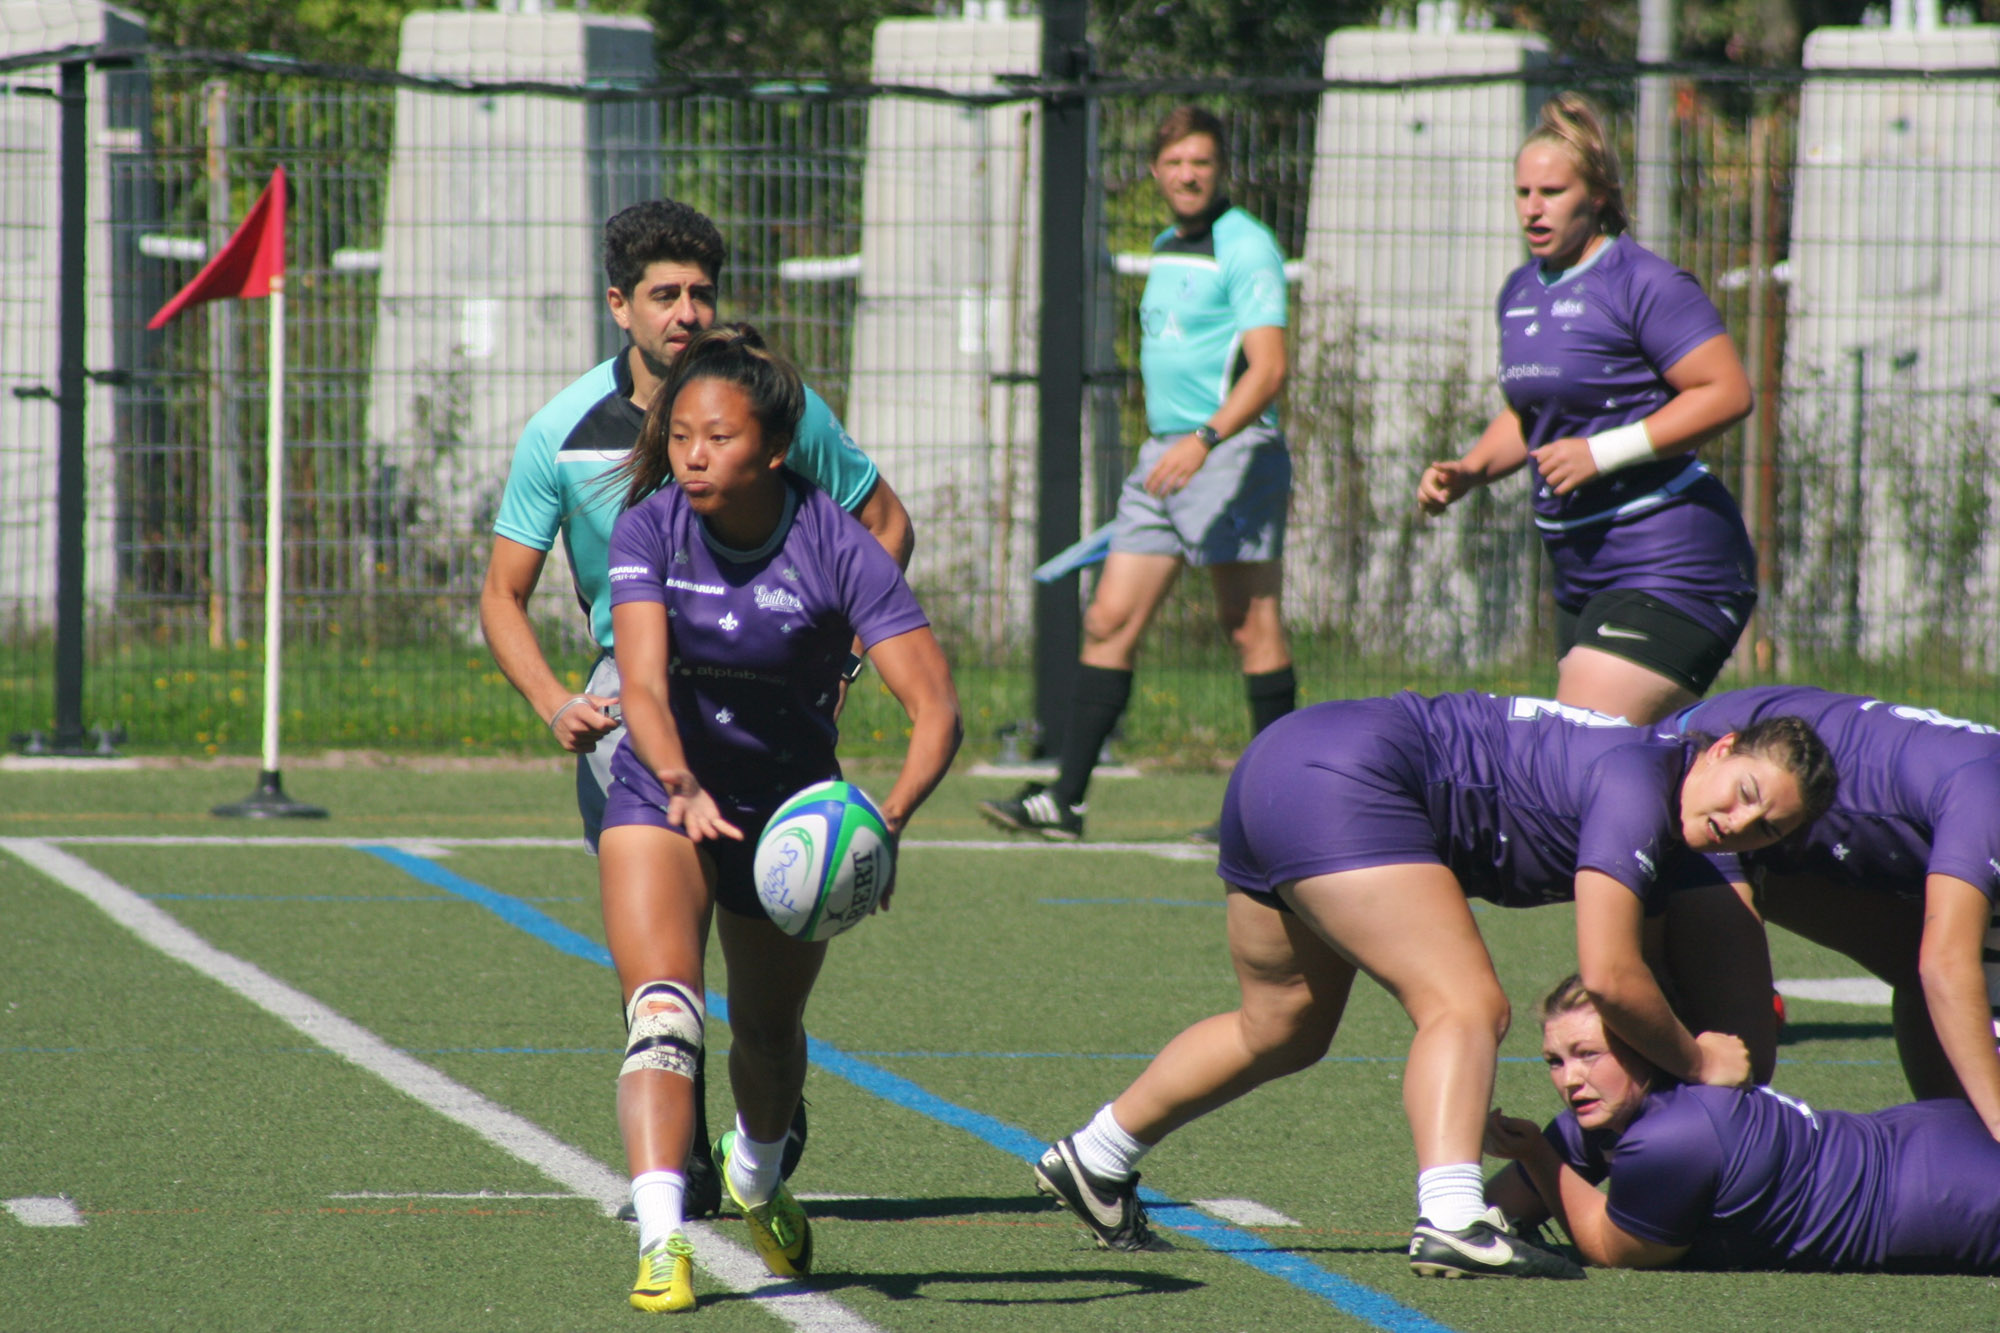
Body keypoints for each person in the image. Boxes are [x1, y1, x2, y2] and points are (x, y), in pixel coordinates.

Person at [1032, 692, 1834, 1278]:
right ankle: (1452, 1216)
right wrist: (1701, 1063)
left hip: (1284, 760)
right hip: (1346, 776)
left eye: (1766, 829)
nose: (1740, 823)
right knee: (1466, 1003)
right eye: (1746, 795)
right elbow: (1610, 977)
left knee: (1282, 1024)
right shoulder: (1638, 784)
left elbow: (1642, 975)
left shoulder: (1663, 785)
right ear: (1721, 747)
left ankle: (1098, 1154)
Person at [480, 199, 914, 1214]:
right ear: (617, 305)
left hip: (769, 710)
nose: (685, 312)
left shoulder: (769, 412)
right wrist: (552, 699)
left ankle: (767, 1097)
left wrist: (838, 662)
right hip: (630, 710)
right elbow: (501, 593)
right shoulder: (564, 432)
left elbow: (884, 521)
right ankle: (677, 1168)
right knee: (659, 974)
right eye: (664, 294)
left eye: (701, 291)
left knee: (765, 981)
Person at [597, 325, 960, 1312]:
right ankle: (662, 1237)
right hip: (662, 794)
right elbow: (638, 679)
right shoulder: (651, 527)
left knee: (765, 1032)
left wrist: (881, 823)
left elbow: (935, 711)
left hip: (787, 813)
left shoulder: (836, 543)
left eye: (714, 437)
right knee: (663, 1015)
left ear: (771, 446)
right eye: (678, 437)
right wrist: (675, 777)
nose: (692, 455)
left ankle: (757, 1175)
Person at [979, 105, 1293, 843]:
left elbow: (1270, 368)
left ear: (1221, 172)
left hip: (1229, 454)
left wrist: (1206, 440)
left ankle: (1278, 810)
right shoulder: (1163, 243)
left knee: (1250, 629)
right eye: (1176, 162)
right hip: (1164, 458)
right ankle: (1067, 800)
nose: (1188, 175)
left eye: (1203, 163)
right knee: (1107, 619)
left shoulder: (1246, 245)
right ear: (1156, 171)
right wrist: (1174, 446)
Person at [1417, 92, 1756, 728]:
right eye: (1522, 192)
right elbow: (1533, 414)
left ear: (1597, 195)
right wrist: (1469, 470)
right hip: (1580, 571)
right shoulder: (1520, 290)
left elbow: (1727, 393)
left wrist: (1601, 453)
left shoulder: (1644, 284)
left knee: (1577, 747)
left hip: (1671, 560)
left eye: (1551, 190)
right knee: (1623, 764)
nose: (1532, 207)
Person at [1485, 974, 2000, 1272]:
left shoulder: (1674, 1135)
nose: (1570, 1078)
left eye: (1588, 1054)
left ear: (1645, 1049)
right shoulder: (1616, 1107)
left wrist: (1536, 1154)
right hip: (1925, 1135)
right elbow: (1490, 1212)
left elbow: (1612, 1249)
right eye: (1555, 1060)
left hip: (1952, 1194)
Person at [1661, 686, 2000, 1134]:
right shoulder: (1987, 798)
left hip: (1776, 823)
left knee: (1919, 962)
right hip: (1705, 792)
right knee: (1738, 1055)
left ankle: (1961, 1150)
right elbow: (1945, 967)